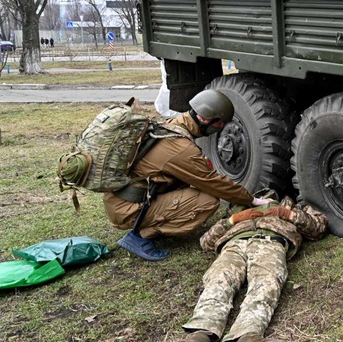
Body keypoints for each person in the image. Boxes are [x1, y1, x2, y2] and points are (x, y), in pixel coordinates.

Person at [142, 195, 329, 342]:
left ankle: (248, 338)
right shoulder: (236, 208)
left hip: (270, 240)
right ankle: (198, 338)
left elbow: (318, 228)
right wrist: (233, 220)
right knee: (219, 279)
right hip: (233, 244)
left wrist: (287, 214)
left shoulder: (292, 204)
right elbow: (205, 242)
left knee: (267, 280)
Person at [105, 89, 269, 261]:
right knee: (207, 201)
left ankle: (150, 222)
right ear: (204, 118)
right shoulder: (180, 148)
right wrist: (251, 200)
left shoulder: (173, 125)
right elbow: (212, 182)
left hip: (121, 200)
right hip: (127, 209)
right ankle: (141, 235)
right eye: (219, 123)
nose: (221, 128)